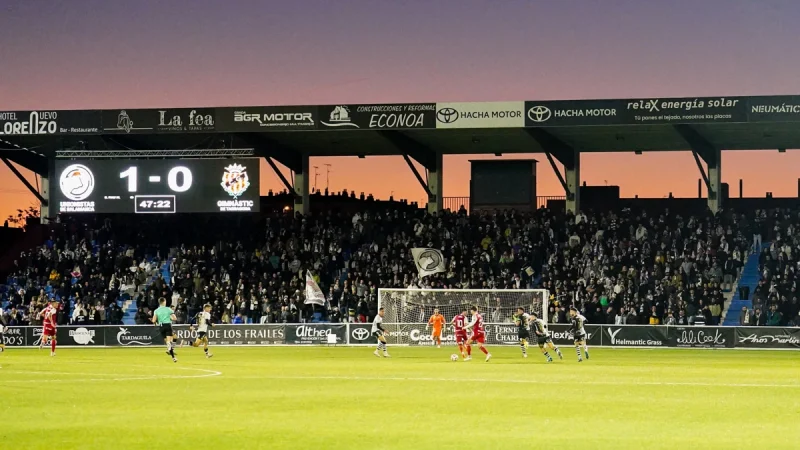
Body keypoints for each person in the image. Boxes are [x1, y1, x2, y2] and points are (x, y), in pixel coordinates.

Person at [153, 298, 178, 362]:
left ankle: (171, 353)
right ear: (164, 302)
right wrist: (170, 318)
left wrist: (156, 323)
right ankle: (173, 356)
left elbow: (153, 320)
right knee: (170, 341)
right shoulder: (168, 309)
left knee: (168, 341)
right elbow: (175, 318)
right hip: (167, 325)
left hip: (161, 326)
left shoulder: (156, 310)